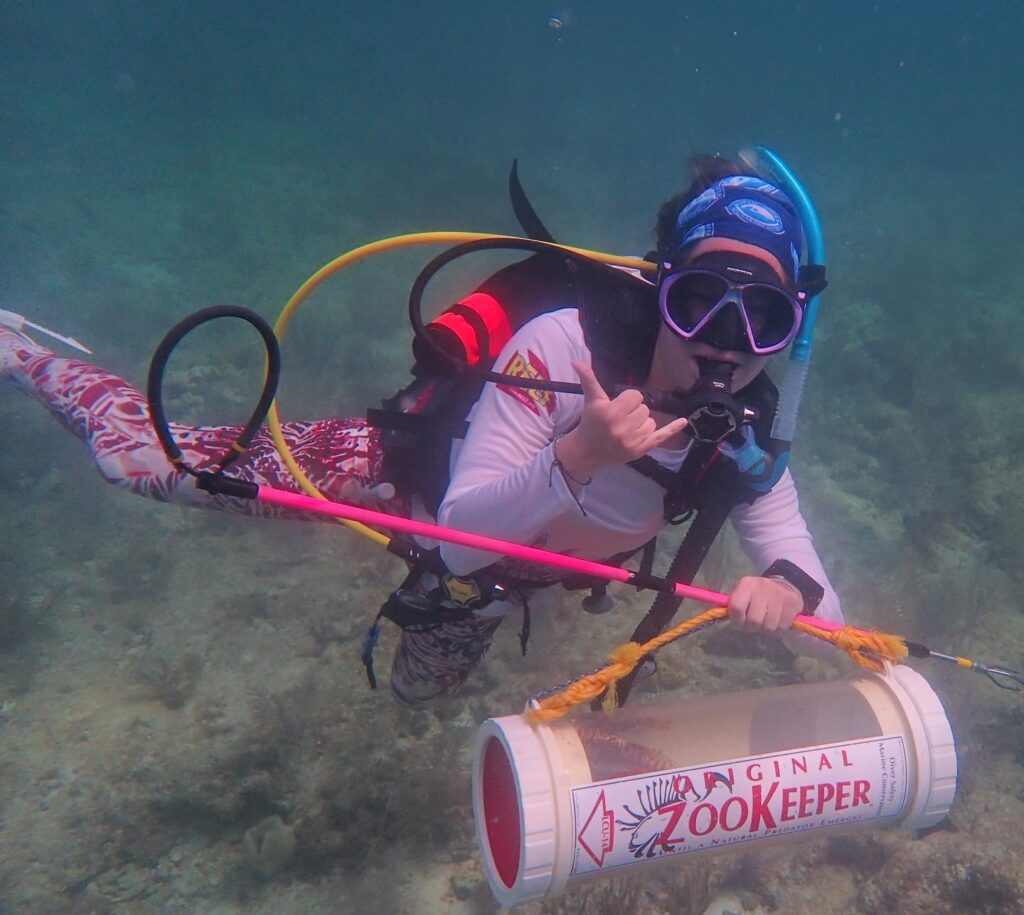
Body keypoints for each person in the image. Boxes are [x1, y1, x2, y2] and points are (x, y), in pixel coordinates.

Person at [0, 154, 842, 708]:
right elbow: (462, 539)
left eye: (762, 317)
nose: (725, 341)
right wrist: (581, 455)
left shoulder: (747, 434)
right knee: (142, 461)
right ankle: (26, 354)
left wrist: (790, 592)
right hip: (411, 486)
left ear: (786, 331)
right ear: (662, 291)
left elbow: (812, 584)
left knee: (417, 695)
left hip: (508, 578)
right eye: (700, 301)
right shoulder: (561, 346)